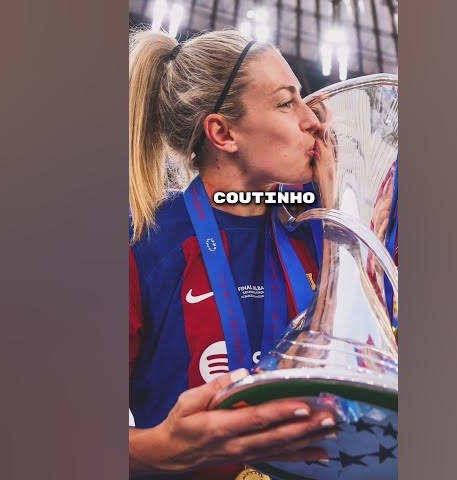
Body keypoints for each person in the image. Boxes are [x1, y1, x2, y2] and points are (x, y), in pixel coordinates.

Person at [128, 29, 337, 479]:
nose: (313, 121)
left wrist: (342, 223)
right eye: (287, 103)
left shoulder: (320, 227)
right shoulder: (146, 243)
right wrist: (159, 449)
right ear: (222, 132)